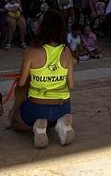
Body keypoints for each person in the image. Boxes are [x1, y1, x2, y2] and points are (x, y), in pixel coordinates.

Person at [10, 10, 75, 148]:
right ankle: (60, 122)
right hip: (63, 106)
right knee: (55, 113)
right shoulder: (67, 51)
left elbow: (21, 82)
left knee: (15, 122)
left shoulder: (32, 51)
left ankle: (38, 127)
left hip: (37, 107)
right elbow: (71, 85)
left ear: (43, 27)